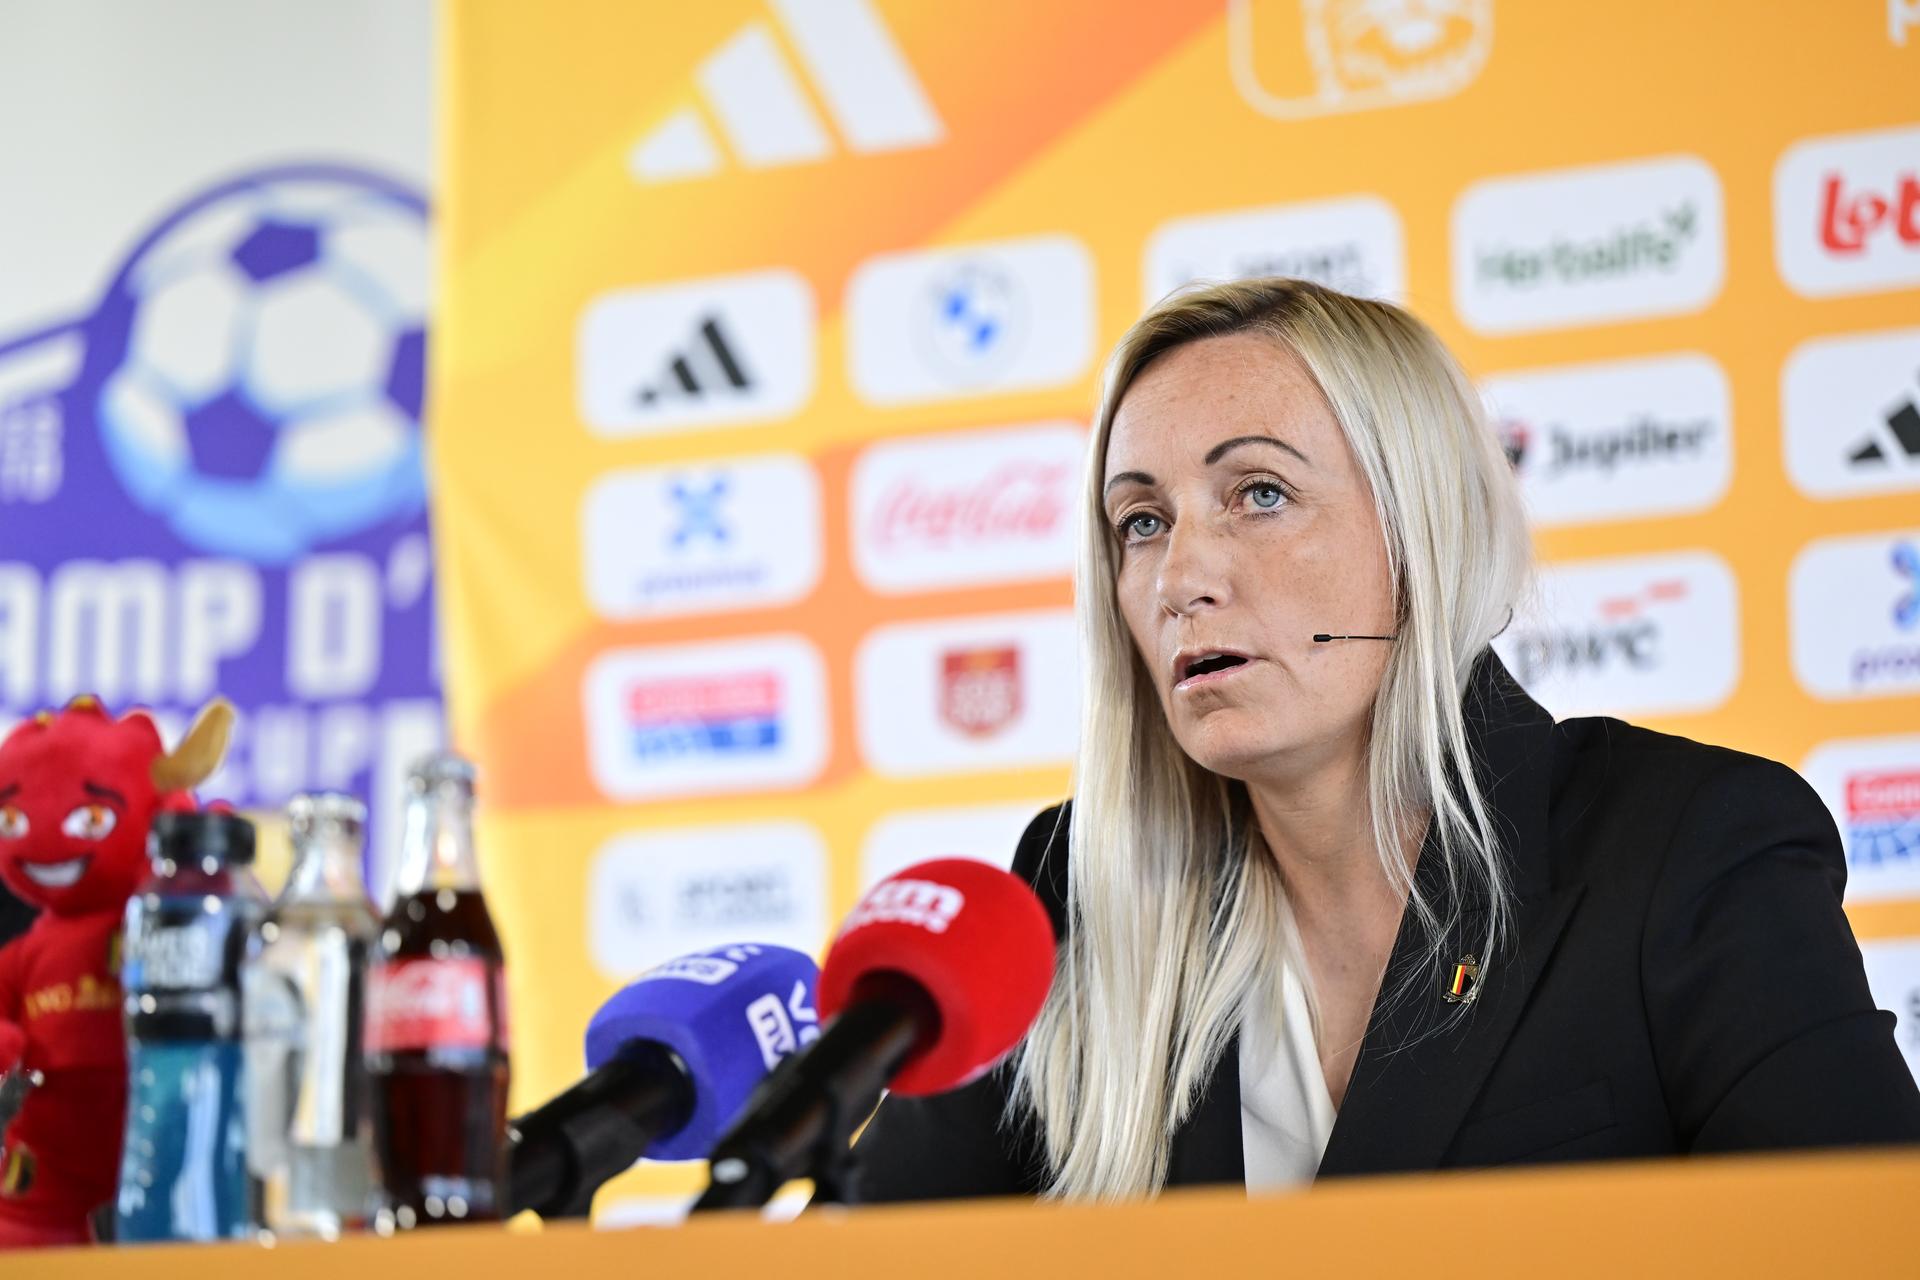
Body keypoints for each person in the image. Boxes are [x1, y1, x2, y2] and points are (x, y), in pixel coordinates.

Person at [853, 277, 1920, 1202]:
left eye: (1260, 493)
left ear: (1424, 530)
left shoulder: (1686, 846)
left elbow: (1862, 1237)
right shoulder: (1067, 890)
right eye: (1143, 520)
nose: (1182, 578)